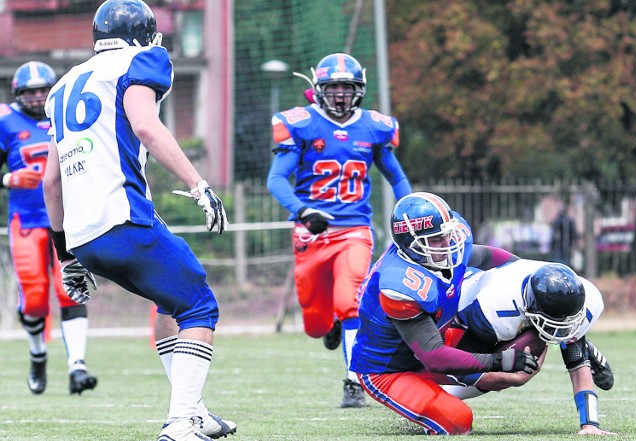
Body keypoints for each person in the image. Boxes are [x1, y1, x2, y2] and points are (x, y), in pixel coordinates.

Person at [42, 1, 235, 440]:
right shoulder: (141, 59)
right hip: (124, 218)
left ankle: (195, 411)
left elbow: (51, 183)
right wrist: (199, 184)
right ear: (144, 34)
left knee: (170, 301)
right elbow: (146, 127)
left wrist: (67, 257)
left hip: (85, 235)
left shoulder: (62, 86)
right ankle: (180, 421)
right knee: (199, 304)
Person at [266, 52, 413, 408]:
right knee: (315, 324)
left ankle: (353, 381)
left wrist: (408, 215)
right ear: (319, 89)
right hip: (311, 232)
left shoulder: (374, 127)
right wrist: (303, 211)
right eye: (334, 87)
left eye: (348, 88)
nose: (341, 94)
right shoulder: (301, 123)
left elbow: (396, 176)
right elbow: (275, 178)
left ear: (359, 90)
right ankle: (330, 323)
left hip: (354, 229)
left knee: (351, 303)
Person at [350, 192, 538, 435]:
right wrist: (499, 361)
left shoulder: (447, 247)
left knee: (500, 328)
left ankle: (439, 393)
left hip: (433, 341)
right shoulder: (400, 284)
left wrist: (530, 272)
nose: (448, 243)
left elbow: (488, 257)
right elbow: (434, 357)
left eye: (448, 235)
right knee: (459, 420)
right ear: (411, 244)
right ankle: (431, 399)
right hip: (390, 369)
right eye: (437, 239)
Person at [0, 61, 98, 396]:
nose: (39, 96)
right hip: (26, 221)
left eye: (44, 89)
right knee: (36, 298)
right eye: (31, 91)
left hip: (66, 219)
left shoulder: (67, 115)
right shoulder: (5, 121)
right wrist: (8, 178)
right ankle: (38, 353)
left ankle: (77, 366)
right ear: (18, 94)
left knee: (69, 288)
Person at [443, 260, 617, 435]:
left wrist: (590, 425)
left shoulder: (586, 299)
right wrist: (513, 378)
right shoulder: (494, 306)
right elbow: (462, 370)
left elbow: (577, 363)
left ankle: (577, 342)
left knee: (562, 340)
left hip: (515, 308)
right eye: (553, 326)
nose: (559, 330)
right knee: (445, 394)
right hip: (457, 316)